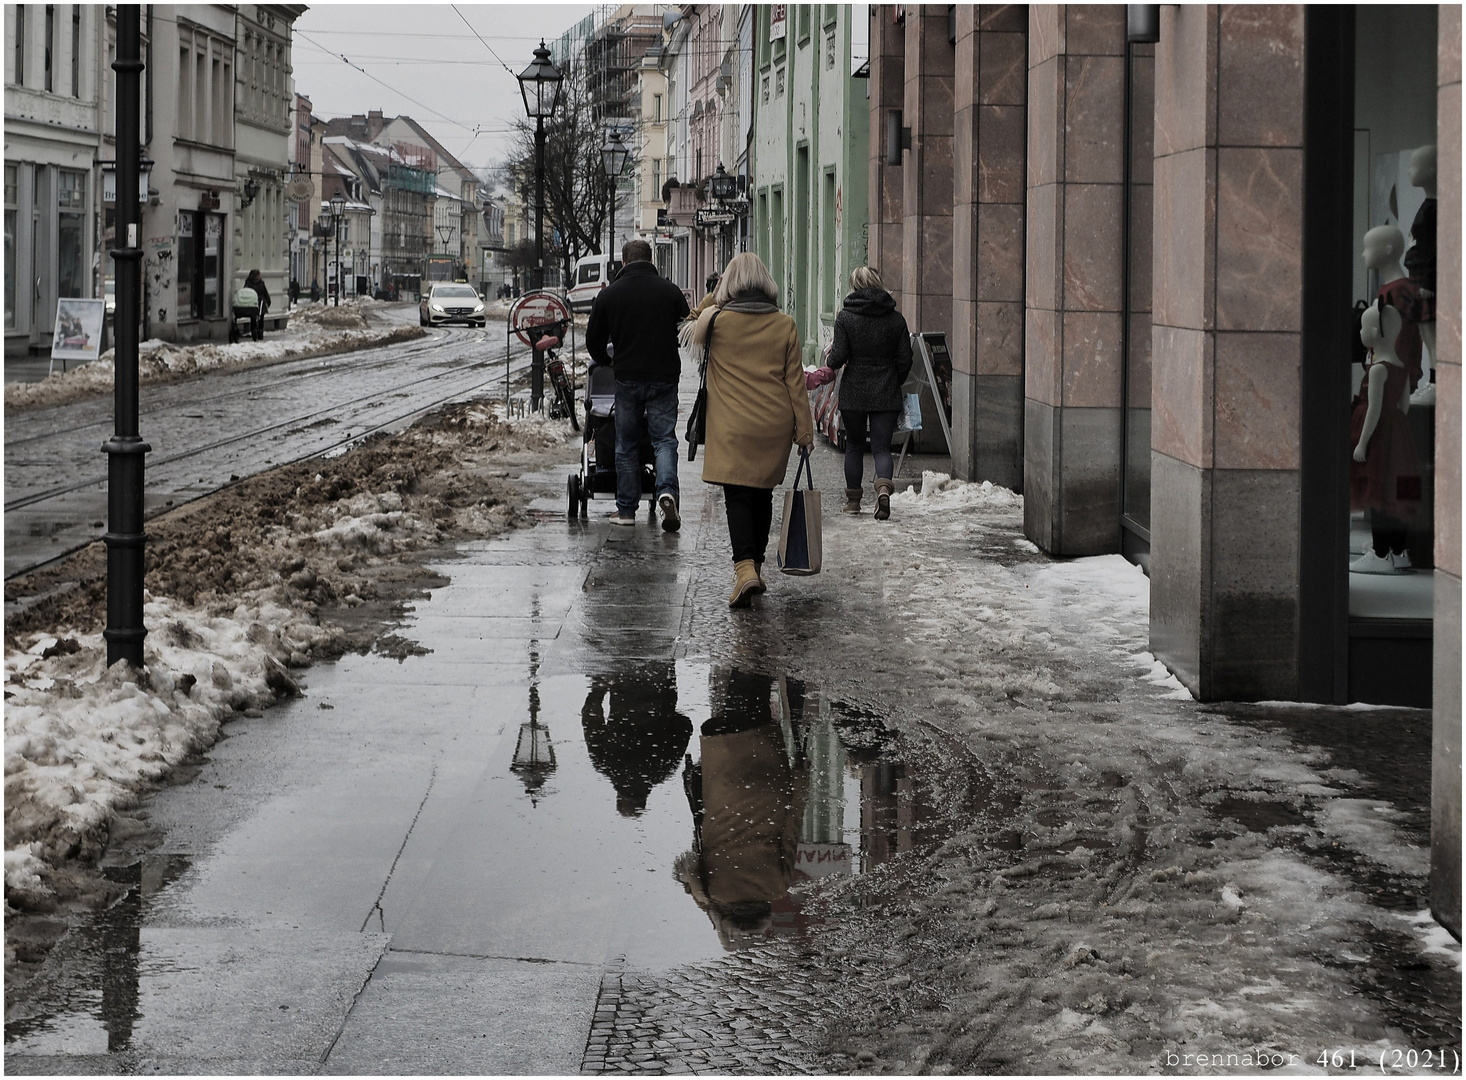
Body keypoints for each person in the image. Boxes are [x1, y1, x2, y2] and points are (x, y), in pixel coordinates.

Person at [689, 252, 814, 607]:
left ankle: (745, 570)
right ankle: (754, 569)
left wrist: (716, 294)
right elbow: (796, 384)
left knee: (738, 498)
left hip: (731, 426)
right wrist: (804, 432)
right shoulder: (785, 324)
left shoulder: (716, 322)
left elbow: (689, 323)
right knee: (762, 494)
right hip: (774, 426)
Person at [587, 238, 691, 531]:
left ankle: (627, 511)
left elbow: (593, 341)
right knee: (664, 440)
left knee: (627, 445)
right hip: (664, 378)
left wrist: (607, 362)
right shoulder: (670, 292)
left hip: (627, 378)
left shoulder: (610, 295)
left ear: (623, 262)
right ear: (651, 260)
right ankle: (667, 491)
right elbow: (686, 330)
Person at [828, 267, 912, 520]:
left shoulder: (846, 317)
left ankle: (853, 502)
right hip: (886, 388)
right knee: (881, 447)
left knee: (853, 446)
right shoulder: (896, 319)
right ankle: (883, 491)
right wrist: (893, 380)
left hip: (854, 389)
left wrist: (831, 361)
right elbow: (905, 359)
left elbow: (838, 357)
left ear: (855, 286)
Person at [244, 269, 271, 341]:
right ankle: (254, 333)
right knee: (253, 318)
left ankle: (260, 333)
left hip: (261, 303)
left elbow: (265, 293)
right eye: (257, 276)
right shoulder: (249, 284)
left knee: (261, 318)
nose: (259, 277)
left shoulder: (261, 283)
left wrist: (268, 301)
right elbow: (245, 292)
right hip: (252, 303)